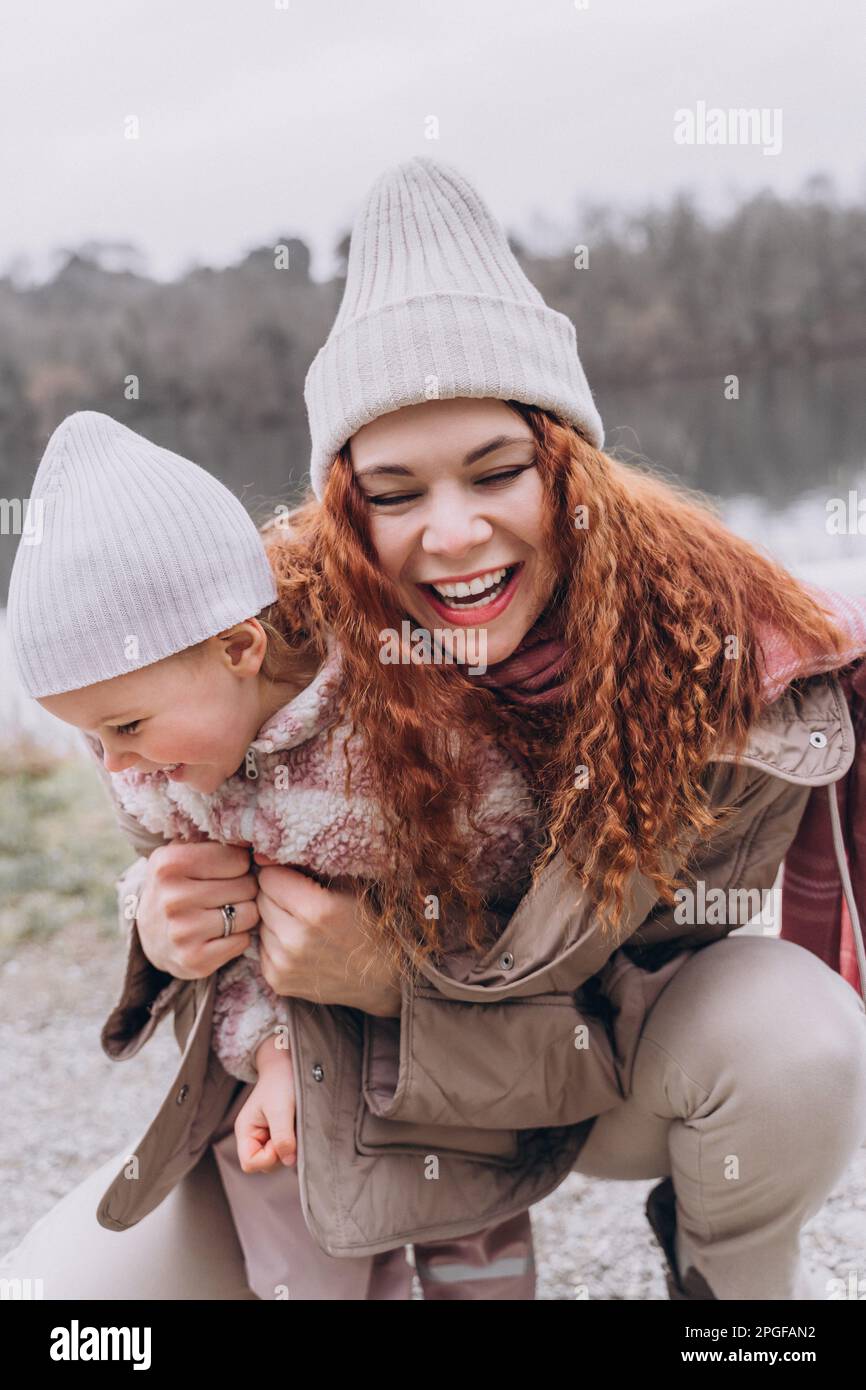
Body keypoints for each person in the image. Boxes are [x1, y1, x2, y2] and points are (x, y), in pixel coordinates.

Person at [4, 155, 866, 1300]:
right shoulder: (246, 652)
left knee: (792, 1033)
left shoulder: (714, 677)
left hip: (603, 1080)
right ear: (342, 509)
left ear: (569, 474)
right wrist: (167, 935)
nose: (451, 535)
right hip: (349, 1116)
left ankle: (732, 1302)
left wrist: (393, 983)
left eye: (496, 470)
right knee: (61, 1308)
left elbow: (604, 1024)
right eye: (395, 493)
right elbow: (196, 860)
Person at [2, 409, 541, 1300]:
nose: (117, 766)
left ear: (241, 647)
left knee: (474, 1247)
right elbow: (223, 938)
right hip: (273, 1083)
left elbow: (506, 895)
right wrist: (165, 933)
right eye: (91, 741)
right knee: (297, 1264)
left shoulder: (399, 729)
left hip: (439, 1066)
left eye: (126, 727)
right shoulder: (159, 770)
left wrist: (398, 983)